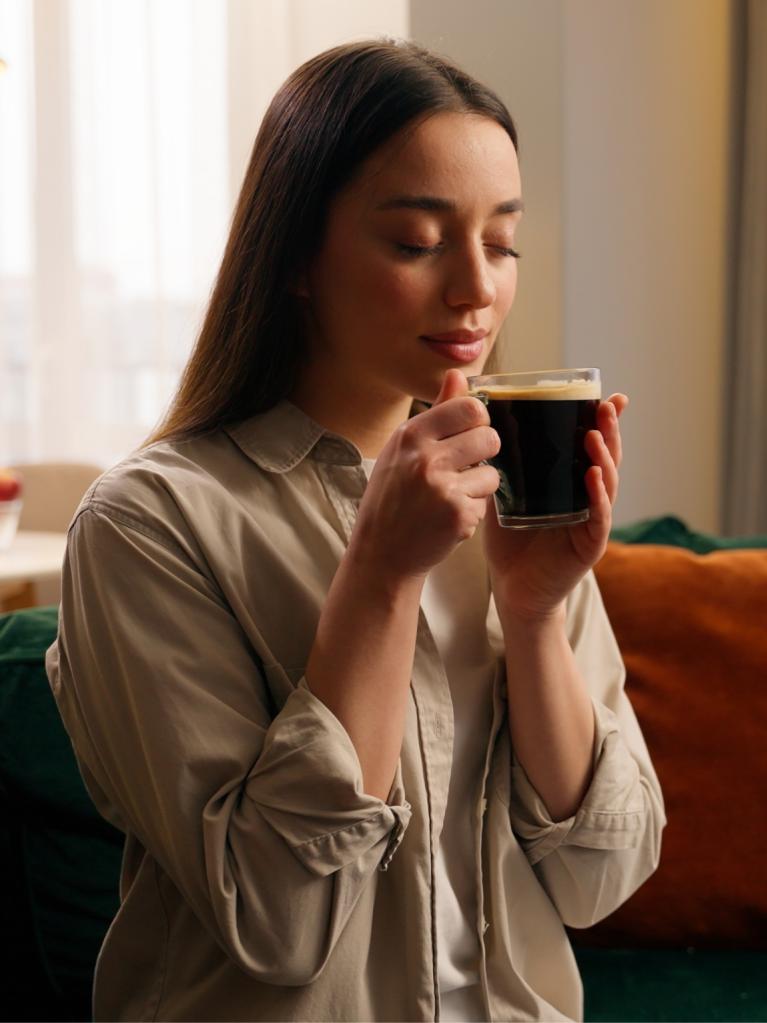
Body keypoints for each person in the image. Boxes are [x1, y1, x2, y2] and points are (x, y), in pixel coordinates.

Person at [46, 38, 665, 1023]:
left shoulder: (506, 490)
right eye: (417, 241)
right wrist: (378, 576)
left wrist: (538, 610)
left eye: (499, 242)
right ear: (295, 256)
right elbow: (280, 918)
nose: (474, 288)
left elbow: (602, 876)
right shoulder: (148, 524)